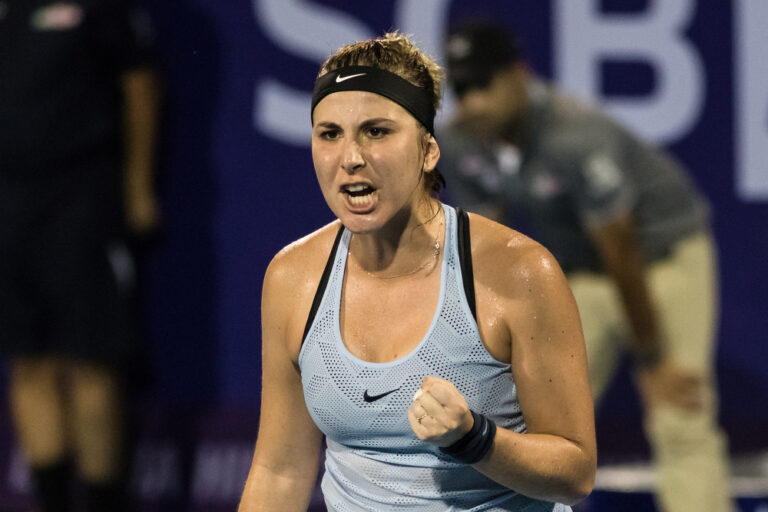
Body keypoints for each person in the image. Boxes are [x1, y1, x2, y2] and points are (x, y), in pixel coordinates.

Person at [238, 32, 595, 512]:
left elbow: (574, 473)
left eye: (377, 131)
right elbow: (279, 472)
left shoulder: (521, 272)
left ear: (429, 150)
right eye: (330, 134)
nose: (350, 157)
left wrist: (476, 439)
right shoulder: (291, 277)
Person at [438, 20, 734, 512]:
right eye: (463, 88)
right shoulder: (465, 142)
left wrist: (654, 358)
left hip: (661, 259)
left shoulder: (574, 134)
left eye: (485, 83)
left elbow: (621, 248)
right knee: (531, 415)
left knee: (678, 416)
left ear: (519, 75)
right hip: (582, 272)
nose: (474, 102)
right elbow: (488, 247)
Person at [0, 0, 160, 510]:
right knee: (27, 361)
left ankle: (104, 501)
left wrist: (138, 188)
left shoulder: (99, 7)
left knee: (93, 360)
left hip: (81, 200)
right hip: (7, 204)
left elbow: (139, 83)